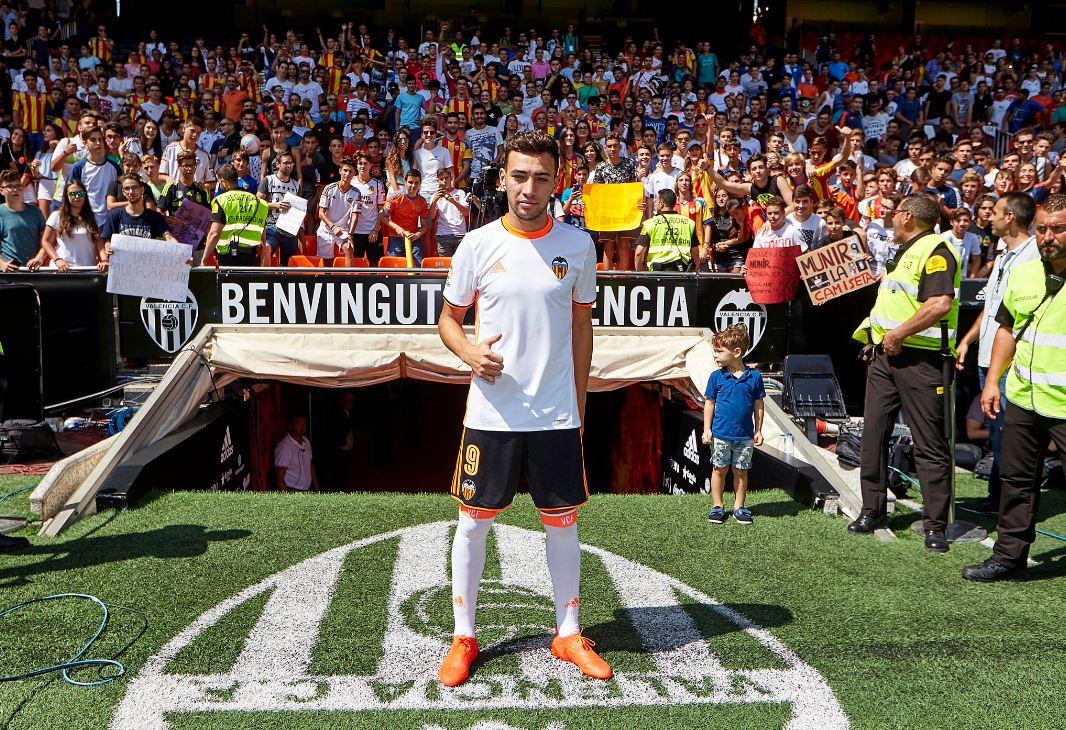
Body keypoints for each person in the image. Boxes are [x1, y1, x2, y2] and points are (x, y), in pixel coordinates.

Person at [436, 130, 606, 688]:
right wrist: (467, 351)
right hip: (491, 413)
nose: (528, 188)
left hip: (555, 413)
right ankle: (464, 636)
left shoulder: (579, 247)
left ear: (556, 181)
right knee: (473, 523)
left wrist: (578, 404)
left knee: (562, 522)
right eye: (518, 175)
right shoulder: (478, 244)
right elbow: (448, 319)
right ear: (503, 179)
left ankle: (567, 632)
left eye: (539, 177)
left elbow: (582, 328)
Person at [849, 193, 960, 553]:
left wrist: (899, 333)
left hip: (920, 360)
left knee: (929, 444)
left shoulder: (936, 251)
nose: (890, 219)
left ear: (908, 217)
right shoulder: (906, 250)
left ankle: (935, 526)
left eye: (895, 214)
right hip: (885, 357)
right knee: (873, 433)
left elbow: (940, 303)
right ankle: (872, 510)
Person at [964, 194, 1066, 581]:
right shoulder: (1023, 272)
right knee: (1016, 482)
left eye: (1058, 228)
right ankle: (1008, 558)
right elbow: (1006, 328)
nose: (1048, 237)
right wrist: (993, 382)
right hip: (1023, 397)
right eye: (1042, 229)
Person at [955, 193, 1038, 514]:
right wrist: (969, 340)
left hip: (1009, 364)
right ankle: (997, 497)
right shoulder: (1002, 255)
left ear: (1011, 218)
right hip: (987, 360)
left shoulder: (1032, 256)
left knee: (1008, 432)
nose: (988, 217)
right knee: (996, 430)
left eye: (996, 212)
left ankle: (1009, 502)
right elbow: (991, 307)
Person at [702, 324, 765, 525]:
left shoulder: (754, 377)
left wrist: (758, 430)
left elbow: (759, 405)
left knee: (741, 471)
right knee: (719, 469)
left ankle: (739, 507)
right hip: (720, 435)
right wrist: (706, 429)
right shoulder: (716, 377)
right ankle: (717, 506)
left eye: (720, 351)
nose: (716, 355)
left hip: (745, 436)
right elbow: (709, 403)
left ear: (737, 352)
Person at [28, 178, 105, 271]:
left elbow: (99, 241)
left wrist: (104, 259)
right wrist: (57, 259)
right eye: (72, 194)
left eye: (80, 194)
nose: (77, 197)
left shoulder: (93, 216)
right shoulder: (56, 215)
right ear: (66, 196)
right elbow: (46, 241)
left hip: (87, 268)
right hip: (63, 269)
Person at [204, 164, 269, 267]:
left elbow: (214, 233)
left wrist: (204, 259)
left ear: (224, 182)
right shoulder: (259, 202)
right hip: (251, 256)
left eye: (219, 182)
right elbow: (264, 235)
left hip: (228, 256)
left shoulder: (221, 200)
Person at [634, 188, 698, 272]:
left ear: (661, 203)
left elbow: (639, 253)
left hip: (657, 274)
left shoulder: (650, 224)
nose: (655, 203)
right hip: (682, 272)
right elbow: (695, 254)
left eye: (656, 201)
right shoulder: (689, 223)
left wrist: (640, 273)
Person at [257, 150, 302, 265]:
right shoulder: (269, 180)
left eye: (291, 163)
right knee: (267, 248)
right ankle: (265, 279)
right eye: (286, 163)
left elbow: (299, 210)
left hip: (289, 228)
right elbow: (257, 202)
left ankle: (286, 281)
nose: (289, 166)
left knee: (289, 262)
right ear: (278, 164)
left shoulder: (296, 185)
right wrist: (274, 205)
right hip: (272, 226)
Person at [0, 170, 46, 270]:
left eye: (18, 186)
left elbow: (46, 240)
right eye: (10, 186)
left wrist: (39, 257)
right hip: (8, 271)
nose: (15, 190)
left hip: (34, 269)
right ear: (1, 191)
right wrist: (1, 264)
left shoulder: (36, 212)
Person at [382, 169, 430, 265]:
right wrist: (397, 228)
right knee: (394, 268)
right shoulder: (394, 197)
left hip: (413, 239)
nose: (413, 186)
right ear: (405, 182)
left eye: (416, 183)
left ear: (420, 184)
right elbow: (383, 217)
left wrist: (416, 235)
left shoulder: (422, 201)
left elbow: (425, 226)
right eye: (410, 182)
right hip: (396, 237)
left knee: (418, 268)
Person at [316, 156, 359, 262]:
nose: (347, 174)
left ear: (354, 174)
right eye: (345, 170)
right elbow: (321, 213)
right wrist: (333, 226)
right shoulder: (329, 189)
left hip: (343, 230)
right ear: (340, 171)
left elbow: (355, 215)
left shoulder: (356, 193)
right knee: (327, 262)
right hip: (326, 229)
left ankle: (349, 279)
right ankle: (328, 279)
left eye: (350, 171)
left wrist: (350, 235)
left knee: (348, 249)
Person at [347, 152, 385, 264]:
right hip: (355, 231)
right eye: (360, 163)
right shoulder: (350, 182)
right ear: (356, 166)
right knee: (356, 264)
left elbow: (381, 210)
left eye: (365, 163)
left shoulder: (378, 184)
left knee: (375, 264)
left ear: (370, 165)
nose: (362, 166)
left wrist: (376, 230)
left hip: (372, 231)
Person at [429, 167, 469, 256]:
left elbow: (467, 213)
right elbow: (431, 216)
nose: (444, 181)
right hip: (443, 235)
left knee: (460, 266)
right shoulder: (435, 196)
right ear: (438, 181)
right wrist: (435, 201)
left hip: (460, 234)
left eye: (446, 178)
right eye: (441, 179)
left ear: (451, 178)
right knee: (444, 267)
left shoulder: (460, 192)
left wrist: (453, 201)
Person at [274, 415, 319, 492]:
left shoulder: (306, 441)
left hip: (306, 490)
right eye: (298, 423)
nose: (302, 427)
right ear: (290, 426)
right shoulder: (285, 447)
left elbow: (309, 464)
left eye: (304, 423)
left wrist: (317, 488)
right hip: (291, 490)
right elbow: (279, 476)